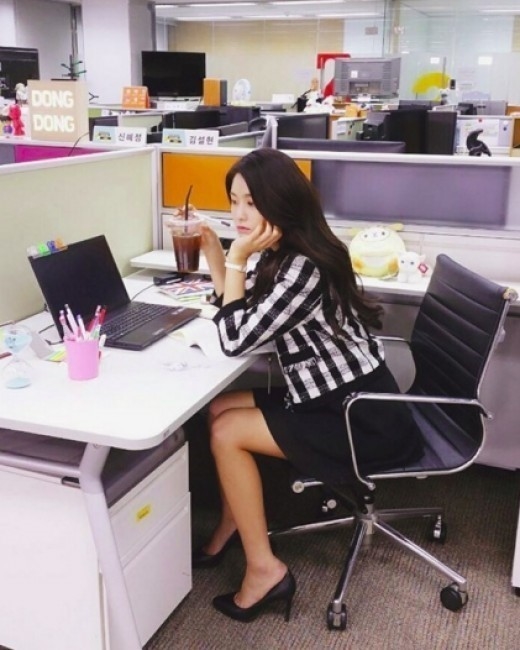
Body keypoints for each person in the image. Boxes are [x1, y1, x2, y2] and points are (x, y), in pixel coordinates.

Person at [195, 148, 423, 623]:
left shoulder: (303, 267)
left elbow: (234, 339)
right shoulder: (285, 250)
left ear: (280, 201)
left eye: (252, 202)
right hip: (325, 394)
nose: (239, 214)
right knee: (219, 408)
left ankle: (264, 570)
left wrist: (235, 257)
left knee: (226, 432)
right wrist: (220, 257)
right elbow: (244, 316)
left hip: (359, 416)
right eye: (234, 201)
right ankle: (233, 523)